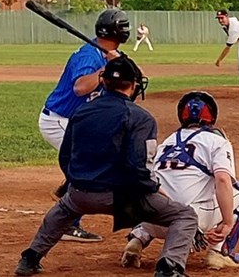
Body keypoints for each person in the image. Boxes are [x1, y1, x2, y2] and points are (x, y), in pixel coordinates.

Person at [14, 56, 198, 277]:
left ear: (103, 81)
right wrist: (153, 188)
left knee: (63, 210)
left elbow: (65, 156)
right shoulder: (140, 118)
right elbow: (137, 167)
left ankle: (30, 258)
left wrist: (76, 182)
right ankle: (168, 268)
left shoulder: (81, 112)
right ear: (134, 85)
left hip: (81, 193)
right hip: (125, 198)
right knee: (184, 215)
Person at [121, 91, 239, 271]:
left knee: (155, 194)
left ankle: (137, 240)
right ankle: (220, 253)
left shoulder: (167, 143)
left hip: (150, 220)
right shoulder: (216, 141)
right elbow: (223, 180)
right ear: (212, 116)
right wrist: (227, 222)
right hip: (187, 222)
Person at [37, 9, 129, 242]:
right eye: (123, 26)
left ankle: (66, 188)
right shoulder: (89, 56)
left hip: (76, 122)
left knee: (100, 157)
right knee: (87, 165)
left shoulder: (107, 53)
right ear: (114, 31)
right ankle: (68, 225)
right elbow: (80, 87)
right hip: (58, 120)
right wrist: (106, 70)